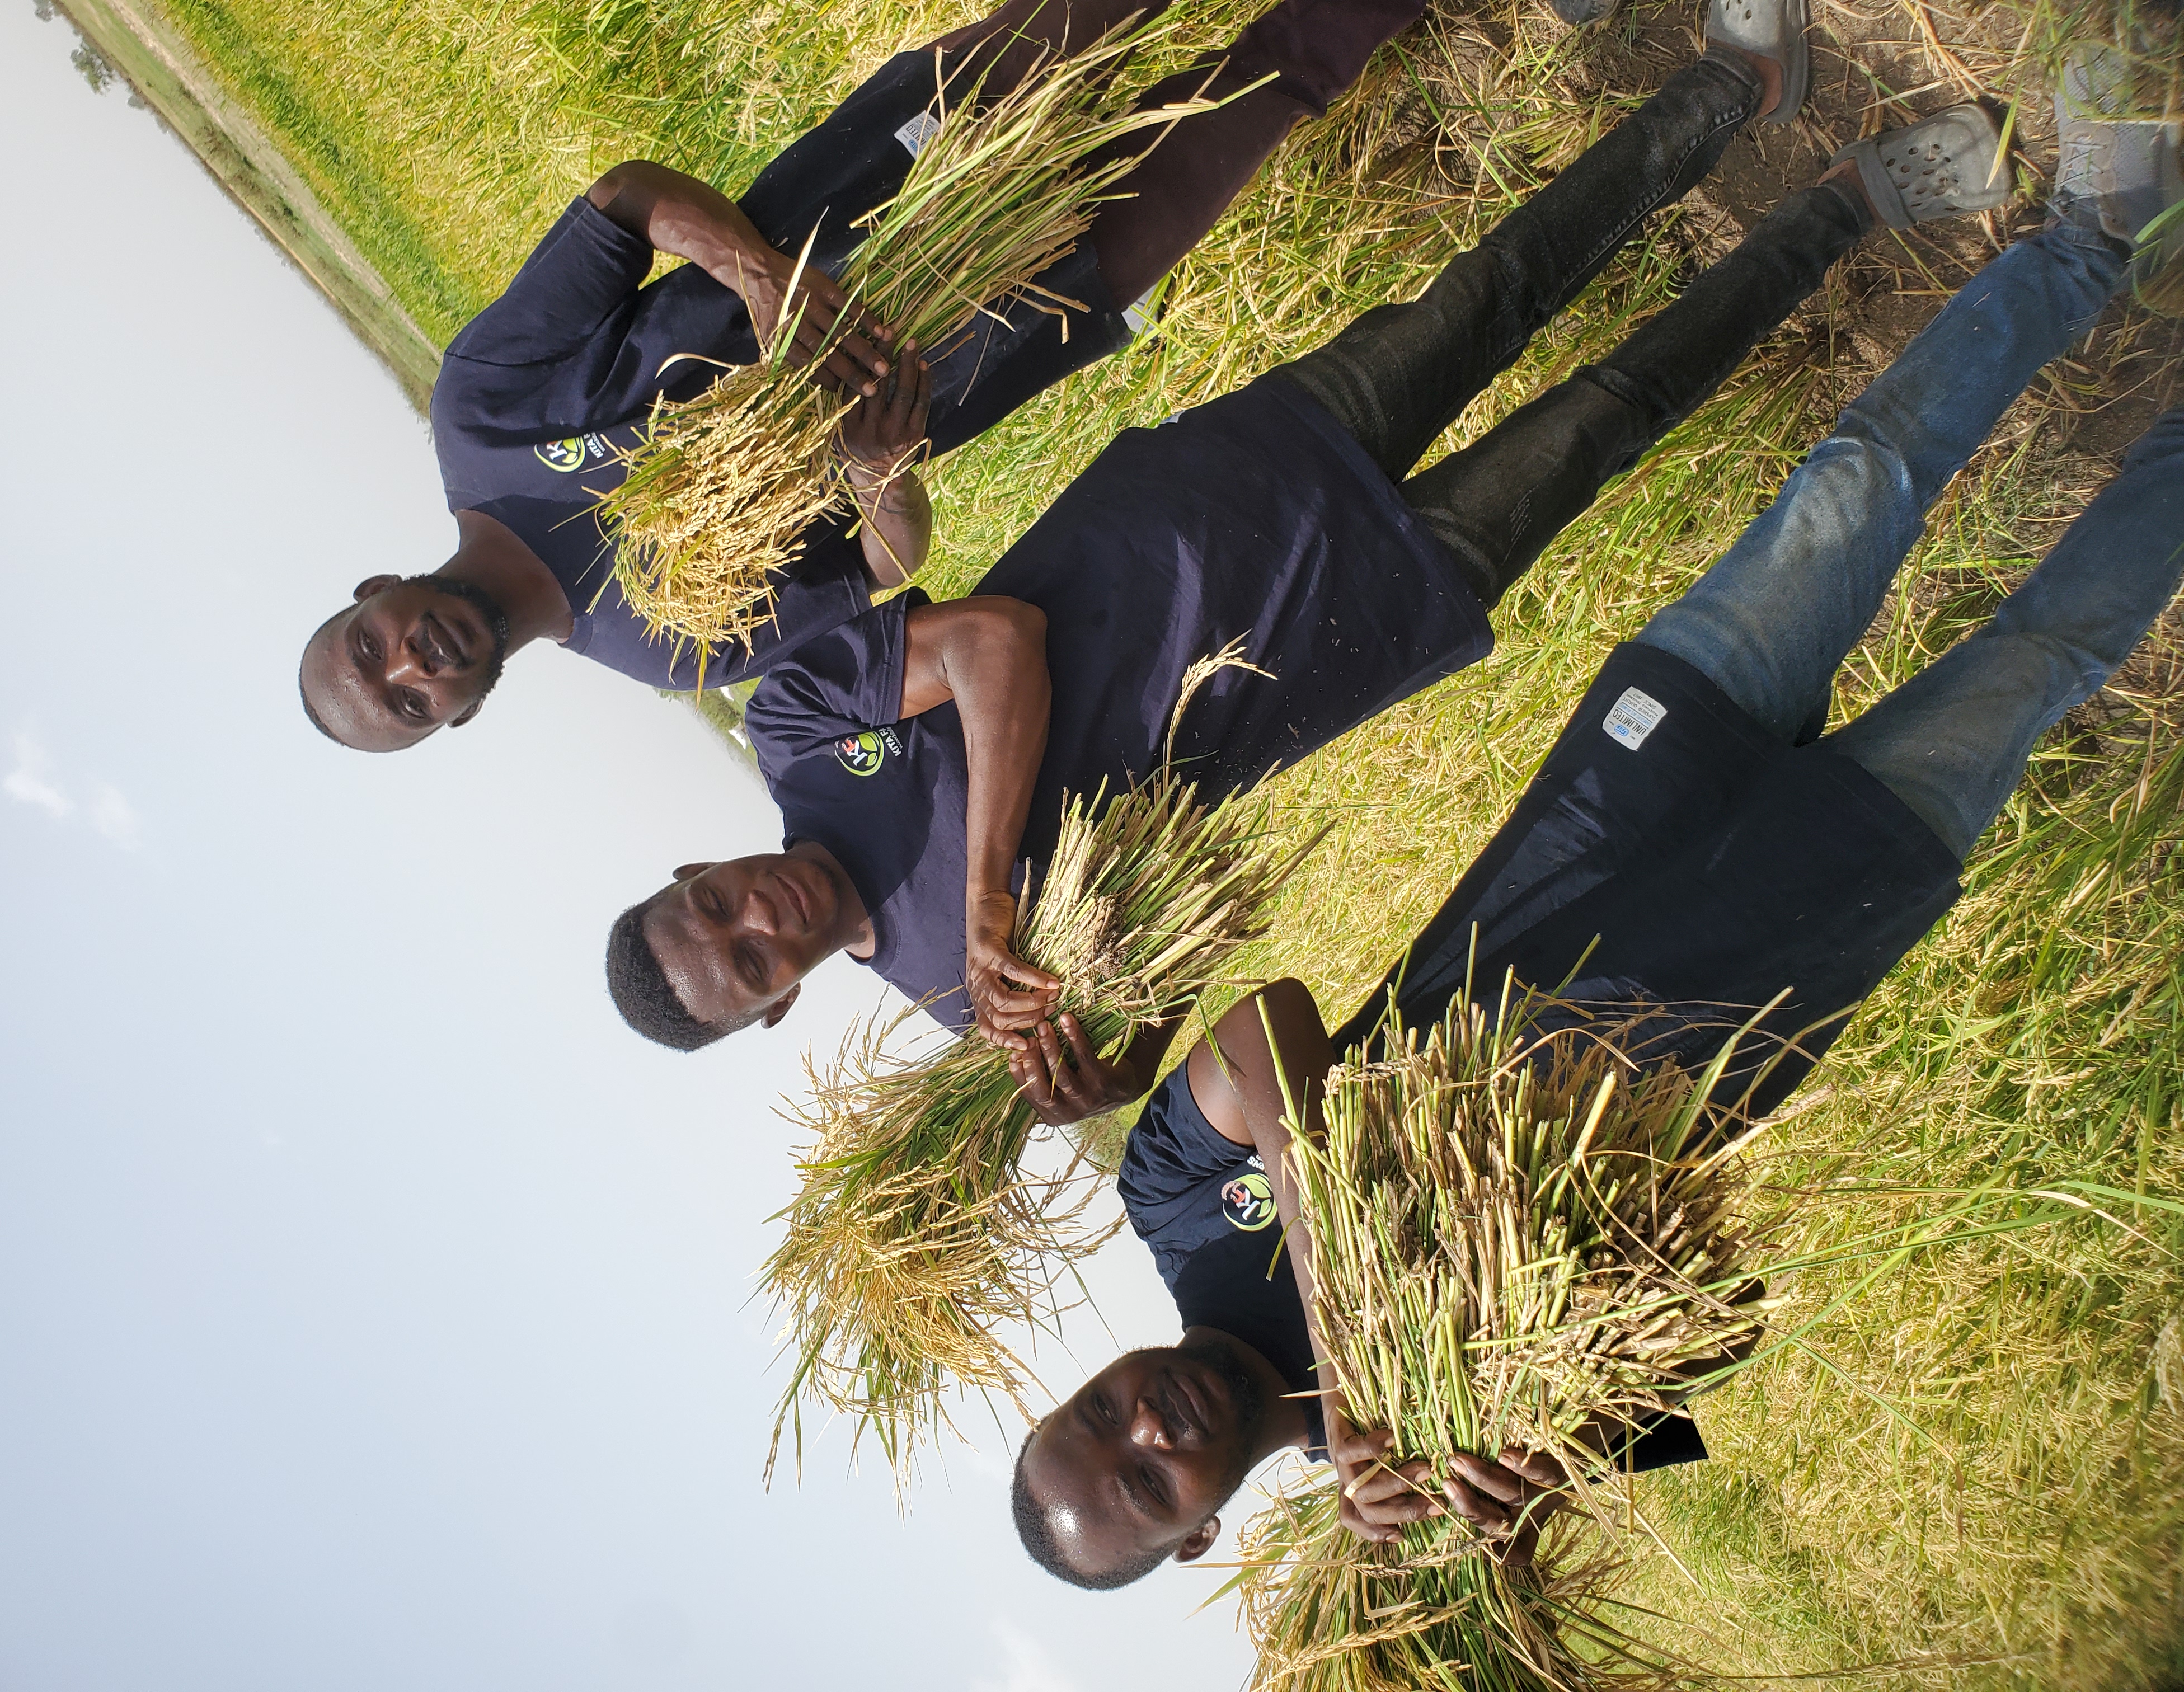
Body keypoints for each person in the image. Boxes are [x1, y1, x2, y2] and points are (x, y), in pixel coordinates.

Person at [1007, 68, 2183, 1588]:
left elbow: (1262, 1030)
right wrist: (1546, 1458)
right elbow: (1718, 1331)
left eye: (1095, 1416)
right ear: (1199, 1537)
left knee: (1853, 488)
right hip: (1776, 951)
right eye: (1143, 1480)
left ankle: (2095, 228)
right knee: (2045, 657)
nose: (1142, 1423)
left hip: (1604, 807)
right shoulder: (1425, 1445)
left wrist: (1339, 1273)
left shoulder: (1171, 1211)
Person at [603, 0, 2016, 1078]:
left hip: (1225, 492)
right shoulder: (973, 1000)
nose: (757, 915)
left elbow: (994, 642)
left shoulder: (797, 726)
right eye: (747, 960)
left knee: (1501, 284)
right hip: (1352, 632)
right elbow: (1182, 956)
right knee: (1615, 408)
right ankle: (1851, 204)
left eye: (717, 904)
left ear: (694, 870)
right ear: (779, 1001)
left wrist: (987, 901)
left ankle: (1736, 83)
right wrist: (1109, 1068)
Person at [297, 0, 1440, 752]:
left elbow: (623, 202)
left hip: (899, 159)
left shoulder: (482, 415)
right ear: (454, 719)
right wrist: (882, 470)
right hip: (1013, 322)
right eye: (408, 702)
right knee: (1278, 84)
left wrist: (756, 275)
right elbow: (886, 565)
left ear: (372, 591)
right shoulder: (664, 647)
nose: (409, 662)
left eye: (371, 646)